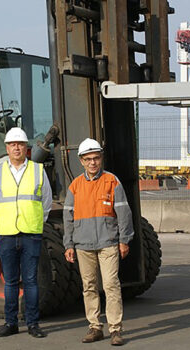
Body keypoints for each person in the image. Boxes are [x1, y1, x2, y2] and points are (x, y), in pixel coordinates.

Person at [63, 138, 133, 346]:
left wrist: (124, 240)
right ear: (81, 161)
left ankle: (115, 329)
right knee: (89, 286)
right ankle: (95, 327)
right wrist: (68, 244)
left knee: (111, 285)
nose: (92, 162)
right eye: (88, 159)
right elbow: (68, 217)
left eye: (96, 158)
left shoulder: (112, 181)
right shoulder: (75, 186)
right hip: (83, 246)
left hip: (108, 243)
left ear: (101, 158)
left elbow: (123, 213)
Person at [0, 127, 52, 339]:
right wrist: (6, 219)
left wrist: (33, 221)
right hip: (7, 234)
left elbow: (46, 203)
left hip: (31, 234)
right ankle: (10, 323)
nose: (16, 147)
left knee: (31, 281)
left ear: (26, 147)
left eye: (20, 144)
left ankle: (33, 324)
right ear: (6, 147)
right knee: (11, 282)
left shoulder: (38, 171)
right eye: (13, 144)